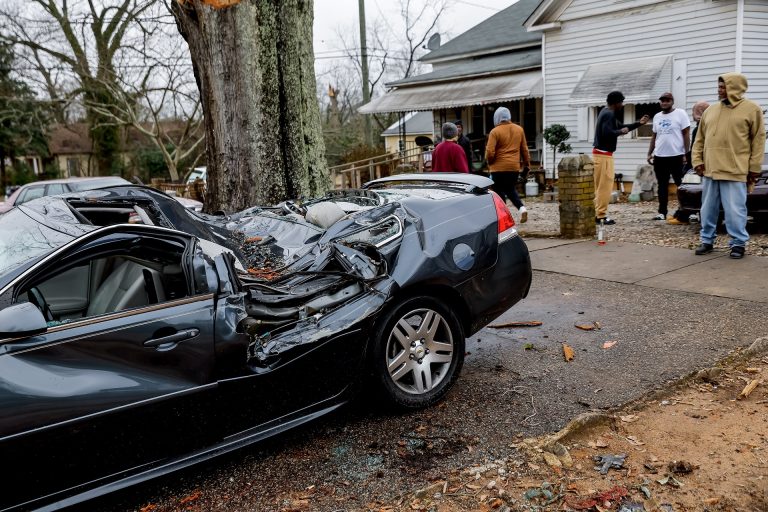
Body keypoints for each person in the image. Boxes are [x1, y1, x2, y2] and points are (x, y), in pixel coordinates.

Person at [692, 73, 765, 259]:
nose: (719, 90)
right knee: (707, 209)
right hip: (710, 169)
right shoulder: (710, 110)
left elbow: (758, 141)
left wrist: (754, 168)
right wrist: (697, 161)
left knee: (735, 211)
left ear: (735, 87)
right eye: (718, 86)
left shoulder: (752, 109)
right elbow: (699, 138)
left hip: (735, 169)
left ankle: (738, 244)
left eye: (723, 87)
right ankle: (707, 240)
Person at [593, 91, 650, 224]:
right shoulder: (609, 114)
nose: (622, 105)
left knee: (601, 186)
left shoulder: (605, 112)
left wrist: (638, 124)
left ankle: (598, 213)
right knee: (604, 187)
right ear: (616, 103)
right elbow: (607, 133)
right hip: (603, 155)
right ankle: (600, 216)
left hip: (601, 154)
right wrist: (620, 132)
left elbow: (620, 127)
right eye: (621, 102)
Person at [646, 92, 690, 221]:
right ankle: (662, 212)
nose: (664, 103)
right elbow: (654, 136)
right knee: (662, 185)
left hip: (677, 155)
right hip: (660, 156)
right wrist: (650, 153)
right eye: (662, 101)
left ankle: (686, 211)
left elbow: (686, 134)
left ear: (672, 102)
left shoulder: (680, 114)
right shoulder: (657, 117)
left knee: (681, 185)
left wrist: (686, 154)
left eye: (667, 101)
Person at [668, 100, 710, 225]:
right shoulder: (707, 126)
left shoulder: (699, 129)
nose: (692, 114)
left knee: (687, 190)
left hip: (698, 164)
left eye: (694, 111)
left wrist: (690, 163)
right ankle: (684, 214)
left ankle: (683, 215)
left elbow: (696, 148)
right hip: (705, 164)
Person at [485, 107, 530, 223]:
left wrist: (489, 162)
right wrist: (527, 165)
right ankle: (521, 208)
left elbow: (490, 152)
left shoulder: (495, 132)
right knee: (510, 189)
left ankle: (504, 218)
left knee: (498, 193)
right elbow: (524, 149)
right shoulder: (519, 130)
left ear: (497, 118)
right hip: (513, 167)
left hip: (497, 169)